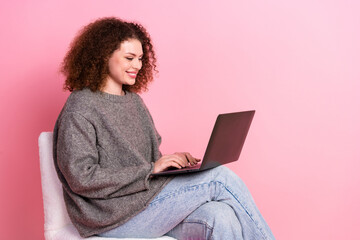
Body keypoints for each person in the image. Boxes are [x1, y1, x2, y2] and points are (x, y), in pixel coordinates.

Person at [53, 17, 275, 240]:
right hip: (110, 217)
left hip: (147, 204)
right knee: (219, 178)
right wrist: (151, 169)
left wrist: (172, 165)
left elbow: (149, 162)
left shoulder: (134, 102)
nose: (138, 65)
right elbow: (82, 178)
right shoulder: (80, 108)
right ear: (103, 57)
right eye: (129, 58)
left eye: (140, 58)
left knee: (221, 215)